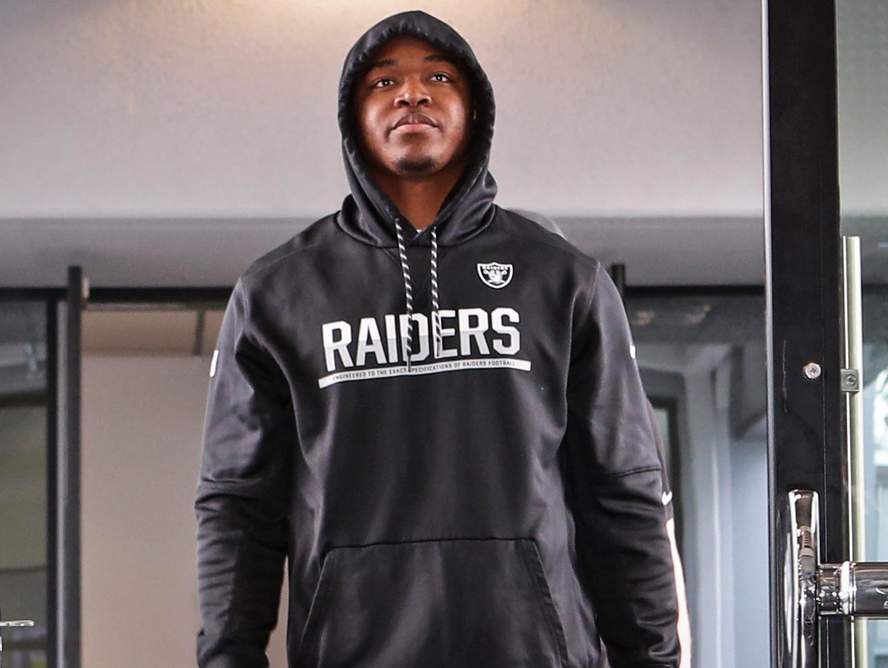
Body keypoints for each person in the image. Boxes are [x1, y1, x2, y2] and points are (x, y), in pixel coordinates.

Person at [196, 10, 680, 667]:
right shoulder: (277, 293)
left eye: (439, 77)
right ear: (351, 119)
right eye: (384, 81)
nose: (412, 94)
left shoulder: (564, 280)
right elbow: (237, 507)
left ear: (474, 110)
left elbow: (623, 491)